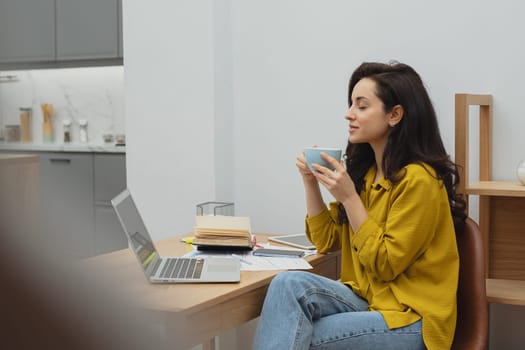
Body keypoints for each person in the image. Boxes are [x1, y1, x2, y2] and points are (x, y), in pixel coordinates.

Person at [252, 61, 466, 350]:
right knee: (287, 285)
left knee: (297, 332)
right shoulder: (365, 176)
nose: (349, 114)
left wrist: (349, 197)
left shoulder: (419, 180)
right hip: (369, 299)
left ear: (395, 115)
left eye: (361, 106)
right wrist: (310, 183)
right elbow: (325, 241)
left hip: (411, 319)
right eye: (351, 104)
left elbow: (385, 265)